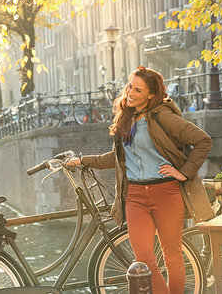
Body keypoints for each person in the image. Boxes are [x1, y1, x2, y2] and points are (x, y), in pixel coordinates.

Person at [66, 66, 213, 293]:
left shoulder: (163, 116)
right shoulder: (127, 118)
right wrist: (83, 160)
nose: (130, 93)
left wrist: (184, 172)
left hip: (166, 193)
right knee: (144, 260)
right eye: (129, 87)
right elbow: (117, 158)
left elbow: (203, 141)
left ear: (151, 94)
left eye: (138, 90)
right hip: (134, 196)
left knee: (172, 256)